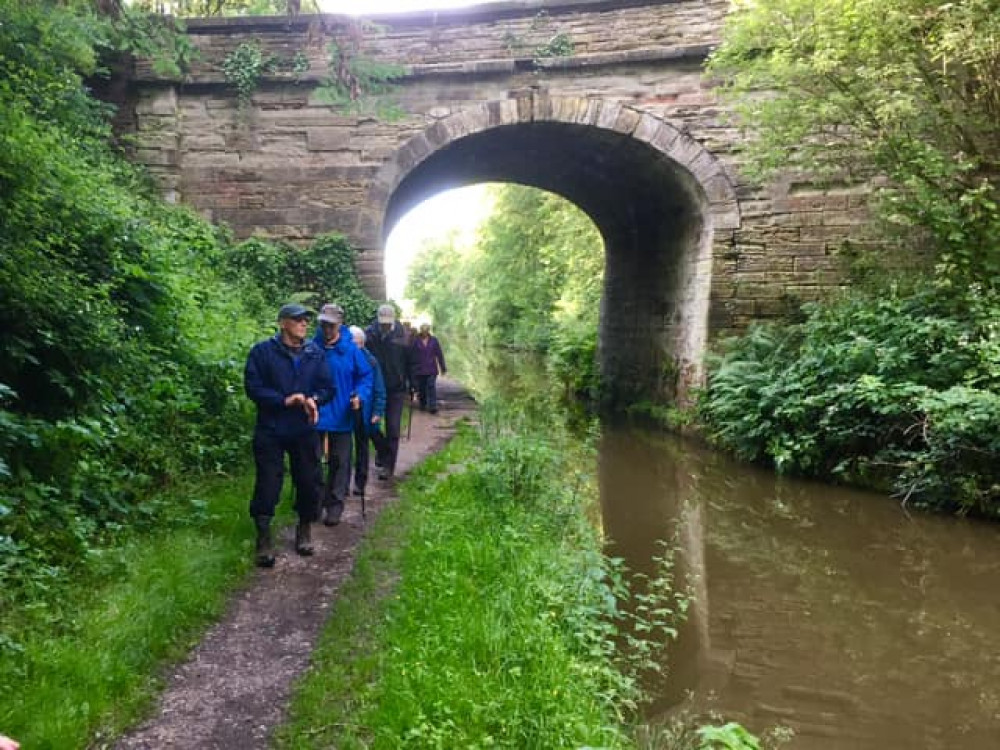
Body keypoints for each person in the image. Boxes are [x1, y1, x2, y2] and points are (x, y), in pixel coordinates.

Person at [244, 303, 334, 567]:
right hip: (271, 427)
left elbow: (328, 387)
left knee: (309, 480)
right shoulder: (262, 352)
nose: (304, 324)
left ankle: (304, 529)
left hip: (304, 428)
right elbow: (253, 387)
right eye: (298, 320)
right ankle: (263, 537)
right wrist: (284, 400)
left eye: (306, 320)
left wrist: (314, 399)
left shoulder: (315, 354)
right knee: (268, 482)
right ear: (283, 323)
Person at [313, 304, 372, 526]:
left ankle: (335, 506)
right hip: (315, 413)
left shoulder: (351, 350)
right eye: (323, 324)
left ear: (339, 324)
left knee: (340, 461)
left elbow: (365, 376)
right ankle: (314, 503)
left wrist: (360, 395)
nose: (327, 328)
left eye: (331, 324)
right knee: (312, 462)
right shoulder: (311, 347)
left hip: (342, 413)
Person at [365, 303, 413, 481]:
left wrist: (412, 384)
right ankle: (383, 450)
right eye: (382, 322)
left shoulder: (404, 336)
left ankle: (388, 466)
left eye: (387, 322)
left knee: (393, 428)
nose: (384, 325)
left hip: (396, 390)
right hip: (375, 389)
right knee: (370, 426)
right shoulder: (369, 334)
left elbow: (411, 362)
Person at [349, 325, 386, 498]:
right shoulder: (343, 359)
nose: (352, 346)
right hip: (345, 414)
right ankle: (340, 484)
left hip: (365, 411)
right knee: (344, 449)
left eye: (355, 343)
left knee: (362, 447)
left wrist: (377, 411)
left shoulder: (371, 362)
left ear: (362, 344)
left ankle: (360, 482)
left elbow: (379, 388)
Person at [410, 322, 447, 414]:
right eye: (423, 331)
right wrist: (412, 368)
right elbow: (411, 355)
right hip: (420, 369)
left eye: (426, 331)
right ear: (421, 331)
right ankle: (422, 404)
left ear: (428, 331)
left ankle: (432, 406)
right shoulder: (416, 341)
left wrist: (443, 367)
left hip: (431, 369)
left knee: (431, 386)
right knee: (422, 388)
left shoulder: (434, 340)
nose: (425, 333)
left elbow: (439, 354)